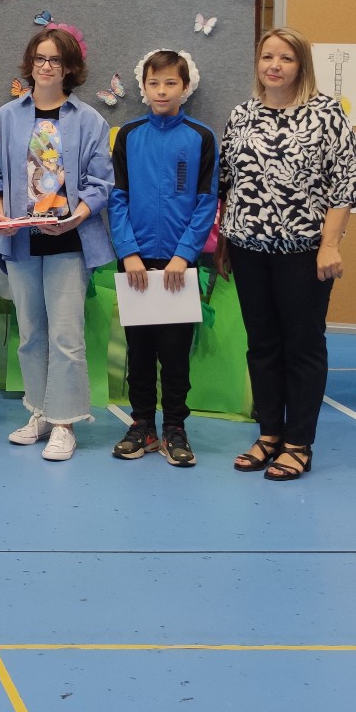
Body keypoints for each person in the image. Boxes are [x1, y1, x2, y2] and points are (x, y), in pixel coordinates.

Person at [219, 27, 356, 482]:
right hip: (247, 249)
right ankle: (269, 434)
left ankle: (299, 443)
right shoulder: (242, 114)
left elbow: (345, 187)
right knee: (262, 344)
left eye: (285, 58)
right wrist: (223, 243)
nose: (275, 66)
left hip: (303, 253)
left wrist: (330, 245)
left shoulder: (326, 114)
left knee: (302, 345)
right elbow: (227, 184)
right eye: (267, 57)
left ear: (301, 65)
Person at [0, 26, 114, 462]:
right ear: (30, 64)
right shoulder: (7, 117)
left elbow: (101, 183)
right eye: (40, 58)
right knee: (31, 334)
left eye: (55, 60)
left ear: (69, 68)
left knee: (66, 336)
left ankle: (65, 423)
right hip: (20, 242)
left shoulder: (89, 120)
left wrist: (77, 216)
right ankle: (40, 412)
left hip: (69, 241)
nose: (46, 66)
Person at [107, 49, 218, 467]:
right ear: (143, 87)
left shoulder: (201, 137)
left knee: (174, 352)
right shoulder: (129, 135)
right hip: (136, 263)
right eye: (154, 83)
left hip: (177, 266)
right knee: (139, 351)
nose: (162, 90)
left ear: (185, 87)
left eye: (171, 82)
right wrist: (129, 252)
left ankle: (174, 427)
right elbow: (117, 198)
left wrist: (184, 255)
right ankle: (142, 425)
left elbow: (206, 201)